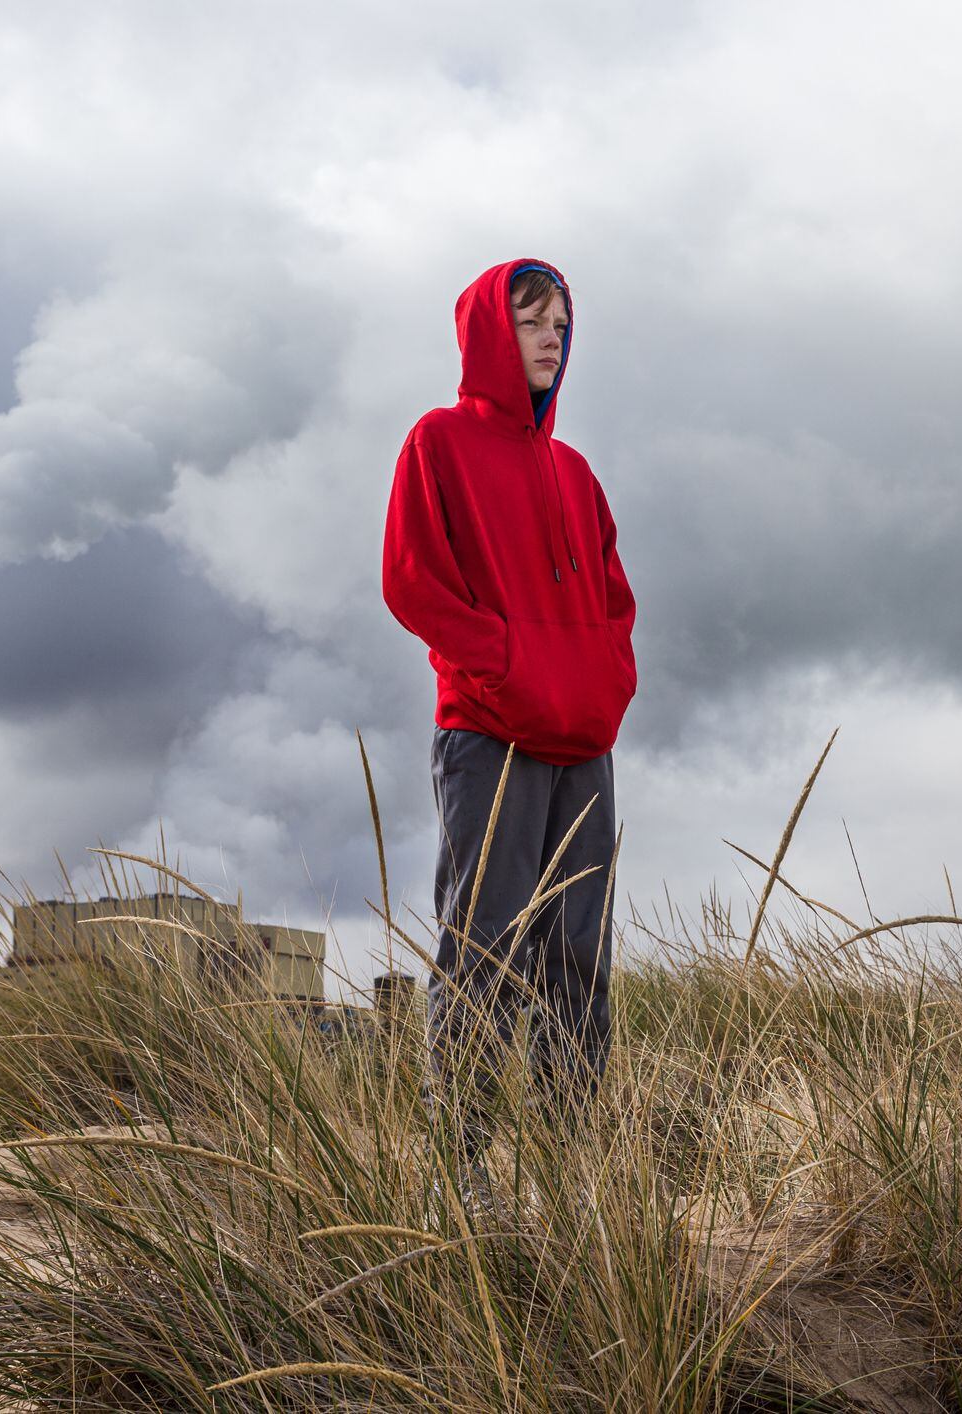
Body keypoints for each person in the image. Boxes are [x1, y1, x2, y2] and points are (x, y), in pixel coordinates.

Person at [380, 258, 638, 1203]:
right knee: (485, 944)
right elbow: (412, 582)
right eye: (532, 320)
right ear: (491, 328)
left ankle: (573, 1172)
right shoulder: (438, 442)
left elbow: (614, 601)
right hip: (490, 734)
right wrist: (503, 663)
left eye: (563, 325)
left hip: (583, 740)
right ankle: (463, 1169)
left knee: (578, 951)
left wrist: (602, 682)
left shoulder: (576, 474)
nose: (550, 337)